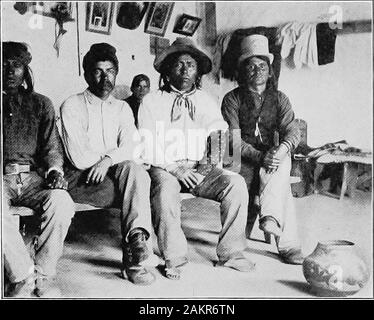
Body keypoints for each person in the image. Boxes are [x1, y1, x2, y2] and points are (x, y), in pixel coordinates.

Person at [138, 38, 255, 280]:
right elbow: (146, 142)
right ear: (168, 69)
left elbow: (219, 134)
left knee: (236, 184)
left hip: (200, 168)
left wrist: (203, 168)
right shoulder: (151, 101)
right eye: (178, 64)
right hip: (166, 168)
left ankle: (231, 253)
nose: (184, 70)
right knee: (164, 192)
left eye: (190, 65)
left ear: (197, 71)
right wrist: (176, 170)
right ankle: (174, 256)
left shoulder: (205, 101)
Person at [60, 43, 155, 285]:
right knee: (134, 183)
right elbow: (78, 156)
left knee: (135, 171)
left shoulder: (122, 107)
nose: (105, 77)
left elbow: (133, 146)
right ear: (86, 73)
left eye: (110, 71)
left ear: (117, 72)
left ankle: (137, 241)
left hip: (113, 170)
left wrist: (109, 160)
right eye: (98, 71)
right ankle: (135, 264)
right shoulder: (72, 104)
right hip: (82, 175)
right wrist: (112, 157)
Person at [221, 34, 304, 264]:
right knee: (278, 172)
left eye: (262, 66)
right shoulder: (232, 99)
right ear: (242, 71)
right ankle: (286, 241)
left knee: (281, 159)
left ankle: (271, 218)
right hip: (239, 158)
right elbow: (233, 143)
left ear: (269, 71)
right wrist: (261, 157)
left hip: (271, 157)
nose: (257, 70)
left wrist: (281, 150)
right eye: (251, 66)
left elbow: (292, 131)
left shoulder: (280, 99)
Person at [2, 42, 75, 297]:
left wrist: (55, 171)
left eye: (17, 65)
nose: (10, 71)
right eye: (3, 64)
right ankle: (22, 275)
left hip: (32, 177)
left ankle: (43, 273)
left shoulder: (41, 104)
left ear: (26, 69)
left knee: (62, 202)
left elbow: (52, 147)